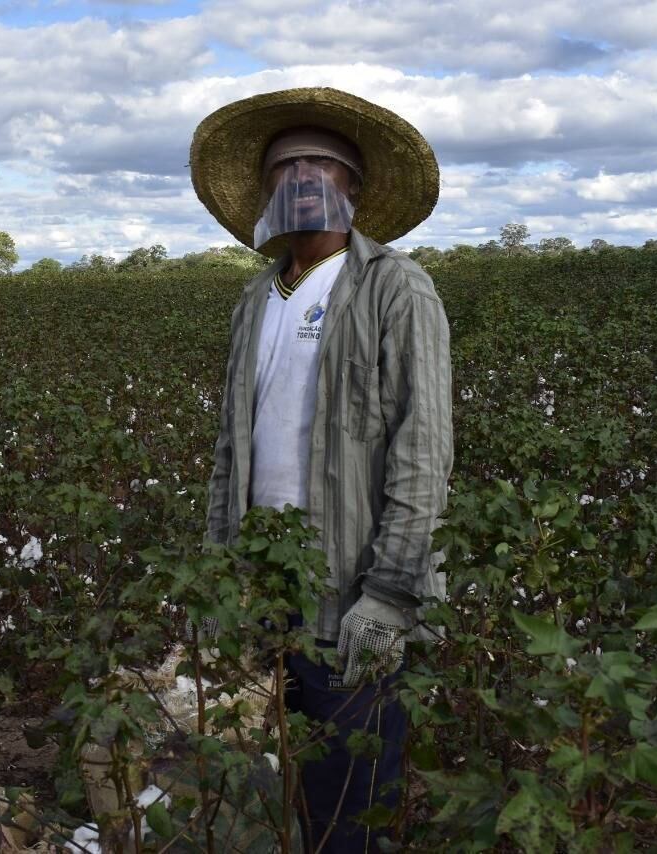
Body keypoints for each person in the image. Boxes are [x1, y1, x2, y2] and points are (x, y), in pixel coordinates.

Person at [187, 87, 454, 853]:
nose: (304, 178)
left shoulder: (394, 288)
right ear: (268, 191)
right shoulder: (253, 300)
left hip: (351, 597)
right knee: (284, 789)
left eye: (324, 166)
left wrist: (392, 595)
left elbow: (422, 446)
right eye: (287, 167)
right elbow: (230, 451)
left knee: (352, 809)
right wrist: (218, 576)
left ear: (354, 190)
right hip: (263, 586)